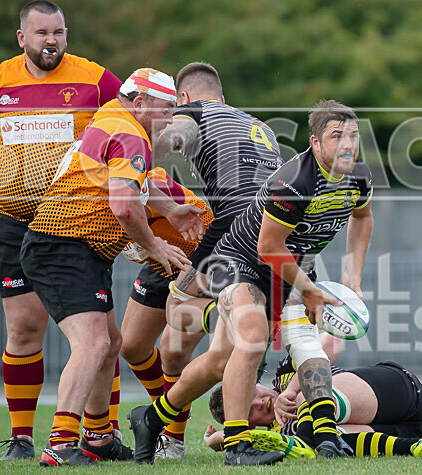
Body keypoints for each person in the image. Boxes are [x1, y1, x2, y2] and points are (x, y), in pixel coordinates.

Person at [129, 99, 374, 466]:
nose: (346, 144)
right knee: (253, 337)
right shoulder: (295, 181)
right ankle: (237, 445)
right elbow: (269, 245)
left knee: (277, 349)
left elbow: (363, 216)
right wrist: (308, 290)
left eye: (352, 135)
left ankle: (150, 420)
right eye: (336, 136)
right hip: (241, 260)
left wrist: (352, 274)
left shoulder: (357, 175)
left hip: (293, 264)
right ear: (315, 142)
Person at [0, 0, 122, 461]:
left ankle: (102, 435)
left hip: (76, 226)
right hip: (16, 223)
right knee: (22, 329)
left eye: (58, 32)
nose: (52, 41)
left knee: (100, 335)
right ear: (23, 38)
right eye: (42, 33)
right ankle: (21, 439)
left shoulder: (94, 78)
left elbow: (131, 123)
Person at [20, 68, 205, 466]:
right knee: (94, 344)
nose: (170, 119)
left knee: (111, 344)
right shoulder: (131, 132)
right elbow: (124, 205)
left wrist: (170, 210)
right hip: (64, 245)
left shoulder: (110, 116)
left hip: (75, 247)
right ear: (140, 103)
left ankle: (99, 438)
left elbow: (129, 185)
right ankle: (60, 444)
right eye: (165, 108)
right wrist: (153, 245)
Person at [121, 61, 282, 460]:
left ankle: (172, 432)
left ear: (183, 99)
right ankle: (160, 427)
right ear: (223, 98)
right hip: (268, 236)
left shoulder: (192, 114)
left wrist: (143, 147)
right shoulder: (260, 127)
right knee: (194, 352)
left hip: (230, 234)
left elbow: (177, 134)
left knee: (182, 319)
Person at [119, 166, 214, 459]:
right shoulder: (91, 183)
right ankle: (165, 408)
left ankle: (172, 439)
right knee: (132, 345)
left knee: (172, 351)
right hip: (162, 260)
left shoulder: (144, 179)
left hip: (202, 259)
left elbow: (127, 210)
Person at [204, 355, 422, 459]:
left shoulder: (284, 373)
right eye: (250, 410)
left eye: (253, 394)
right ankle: (416, 447)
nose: (260, 401)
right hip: (403, 432)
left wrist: (290, 390)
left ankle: (305, 440)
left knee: (308, 394)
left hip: (398, 391)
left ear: (254, 383)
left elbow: (325, 348)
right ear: (248, 424)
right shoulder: (275, 436)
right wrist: (220, 438)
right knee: (329, 439)